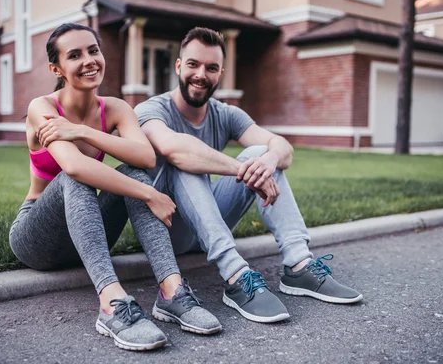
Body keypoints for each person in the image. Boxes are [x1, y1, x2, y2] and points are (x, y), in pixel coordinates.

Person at [9, 23, 221, 352]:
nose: (89, 60)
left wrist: (83, 132)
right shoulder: (43, 108)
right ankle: (111, 303)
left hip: (88, 232)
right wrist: (151, 194)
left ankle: (172, 292)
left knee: (133, 171)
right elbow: (76, 166)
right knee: (75, 177)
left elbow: (146, 157)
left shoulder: (117, 109)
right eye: (75, 55)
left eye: (93, 50)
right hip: (38, 237)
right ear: (57, 69)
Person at [135, 27, 363, 324]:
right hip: (170, 229)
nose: (201, 74)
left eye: (211, 68)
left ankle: (299, 265)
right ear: (179, 65)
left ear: (221, 73)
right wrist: (243, 168)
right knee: (187, 161)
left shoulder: (225, 113)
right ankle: (236, 276)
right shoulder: (151, 109)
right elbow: (174, 149)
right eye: (193, 64)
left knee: (261, 155)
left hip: (209, 219)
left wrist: (267, 161)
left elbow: (283, 148)